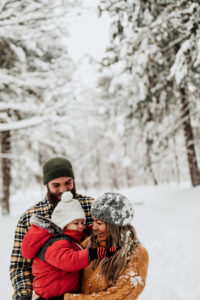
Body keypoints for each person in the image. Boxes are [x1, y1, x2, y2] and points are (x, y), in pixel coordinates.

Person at [9, 157, 94, 300]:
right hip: (45, 294)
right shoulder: (30, 218)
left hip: (86, 291)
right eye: (56, 185)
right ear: (47, 185)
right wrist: (23, 294)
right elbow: (19, 265)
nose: (63, 189)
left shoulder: (90, 207)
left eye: (68, 183)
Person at [21, 192, 118, 300]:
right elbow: (69, 260)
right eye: (76, 223)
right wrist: (94, 253)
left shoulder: (67, 239)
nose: (81, 226)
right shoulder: (55, 243)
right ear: (63, 224)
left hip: (62, 293)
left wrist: (93, 228)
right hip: (51, 296)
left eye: (82, 222)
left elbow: (78, 234)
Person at [63, 192, 149, 300]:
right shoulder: (89, 243)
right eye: (93, 221)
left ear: (115, 226)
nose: (93, 227)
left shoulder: (136, 254)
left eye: (99, 223)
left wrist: (70, 299)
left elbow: (119, 296)